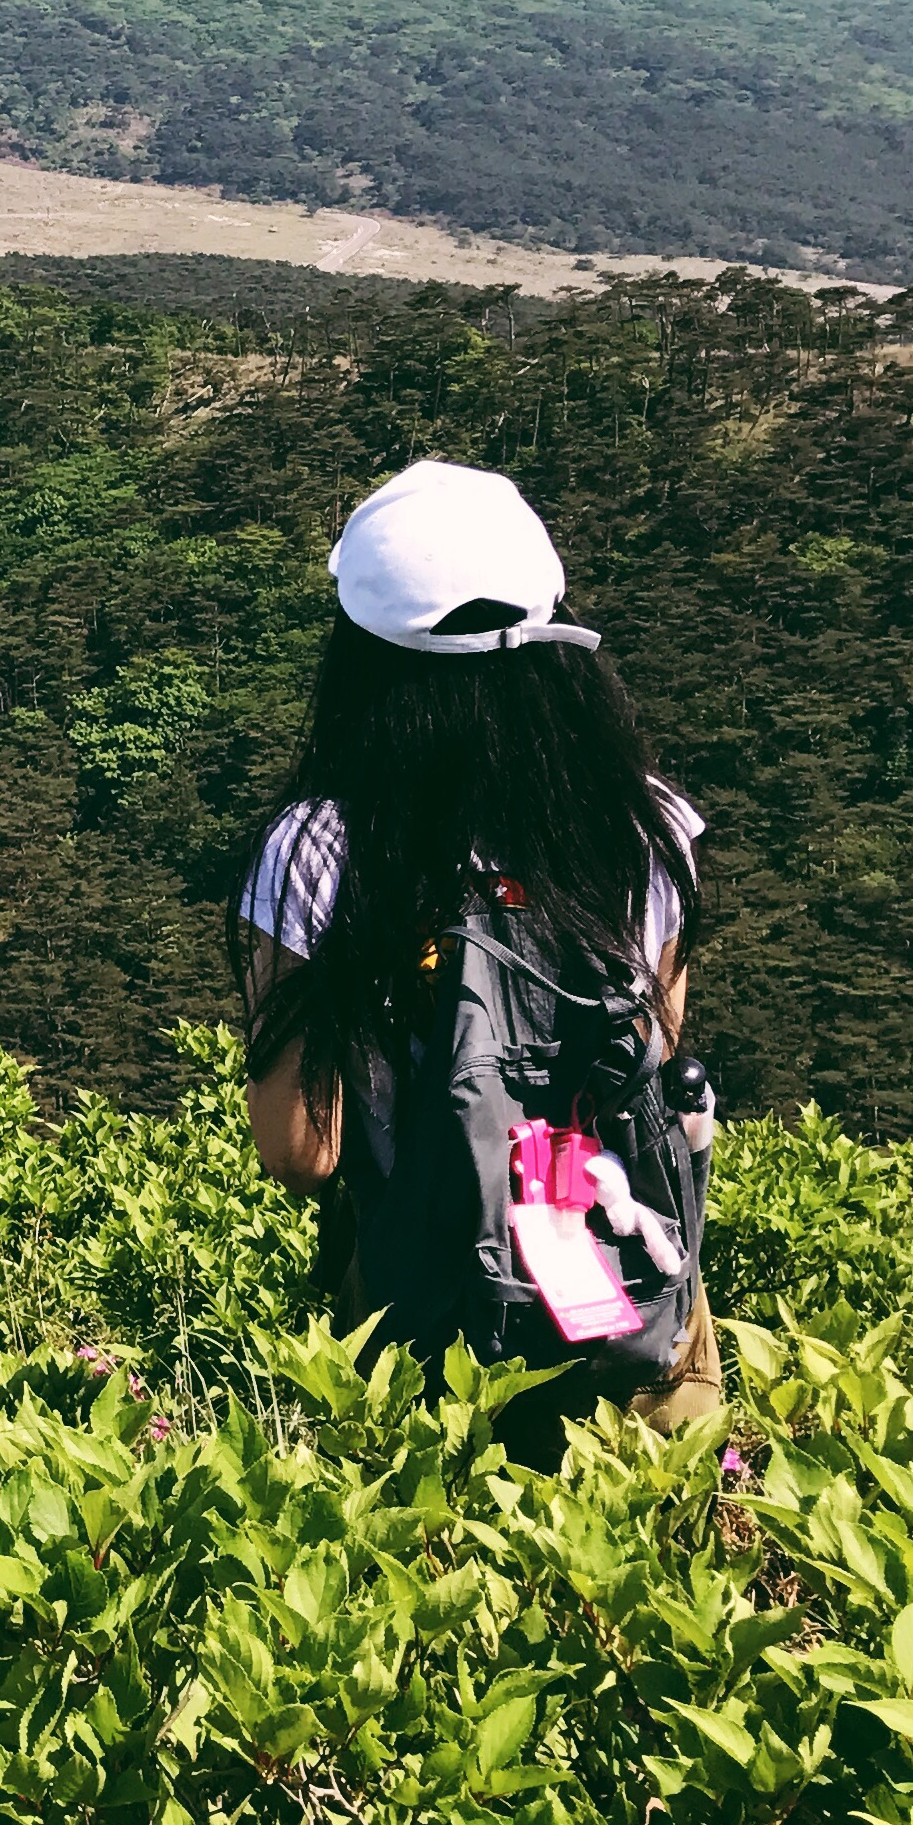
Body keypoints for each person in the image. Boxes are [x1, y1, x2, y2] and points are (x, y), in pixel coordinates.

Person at [235, 458, 723, 1465]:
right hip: (636, 1308)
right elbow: (657, 1049)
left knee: (437, 1551)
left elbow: (300, 1154)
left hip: (431, 1325)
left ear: (362, 655)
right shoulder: (645, 825)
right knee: (645, 1549)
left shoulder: (324, 848)